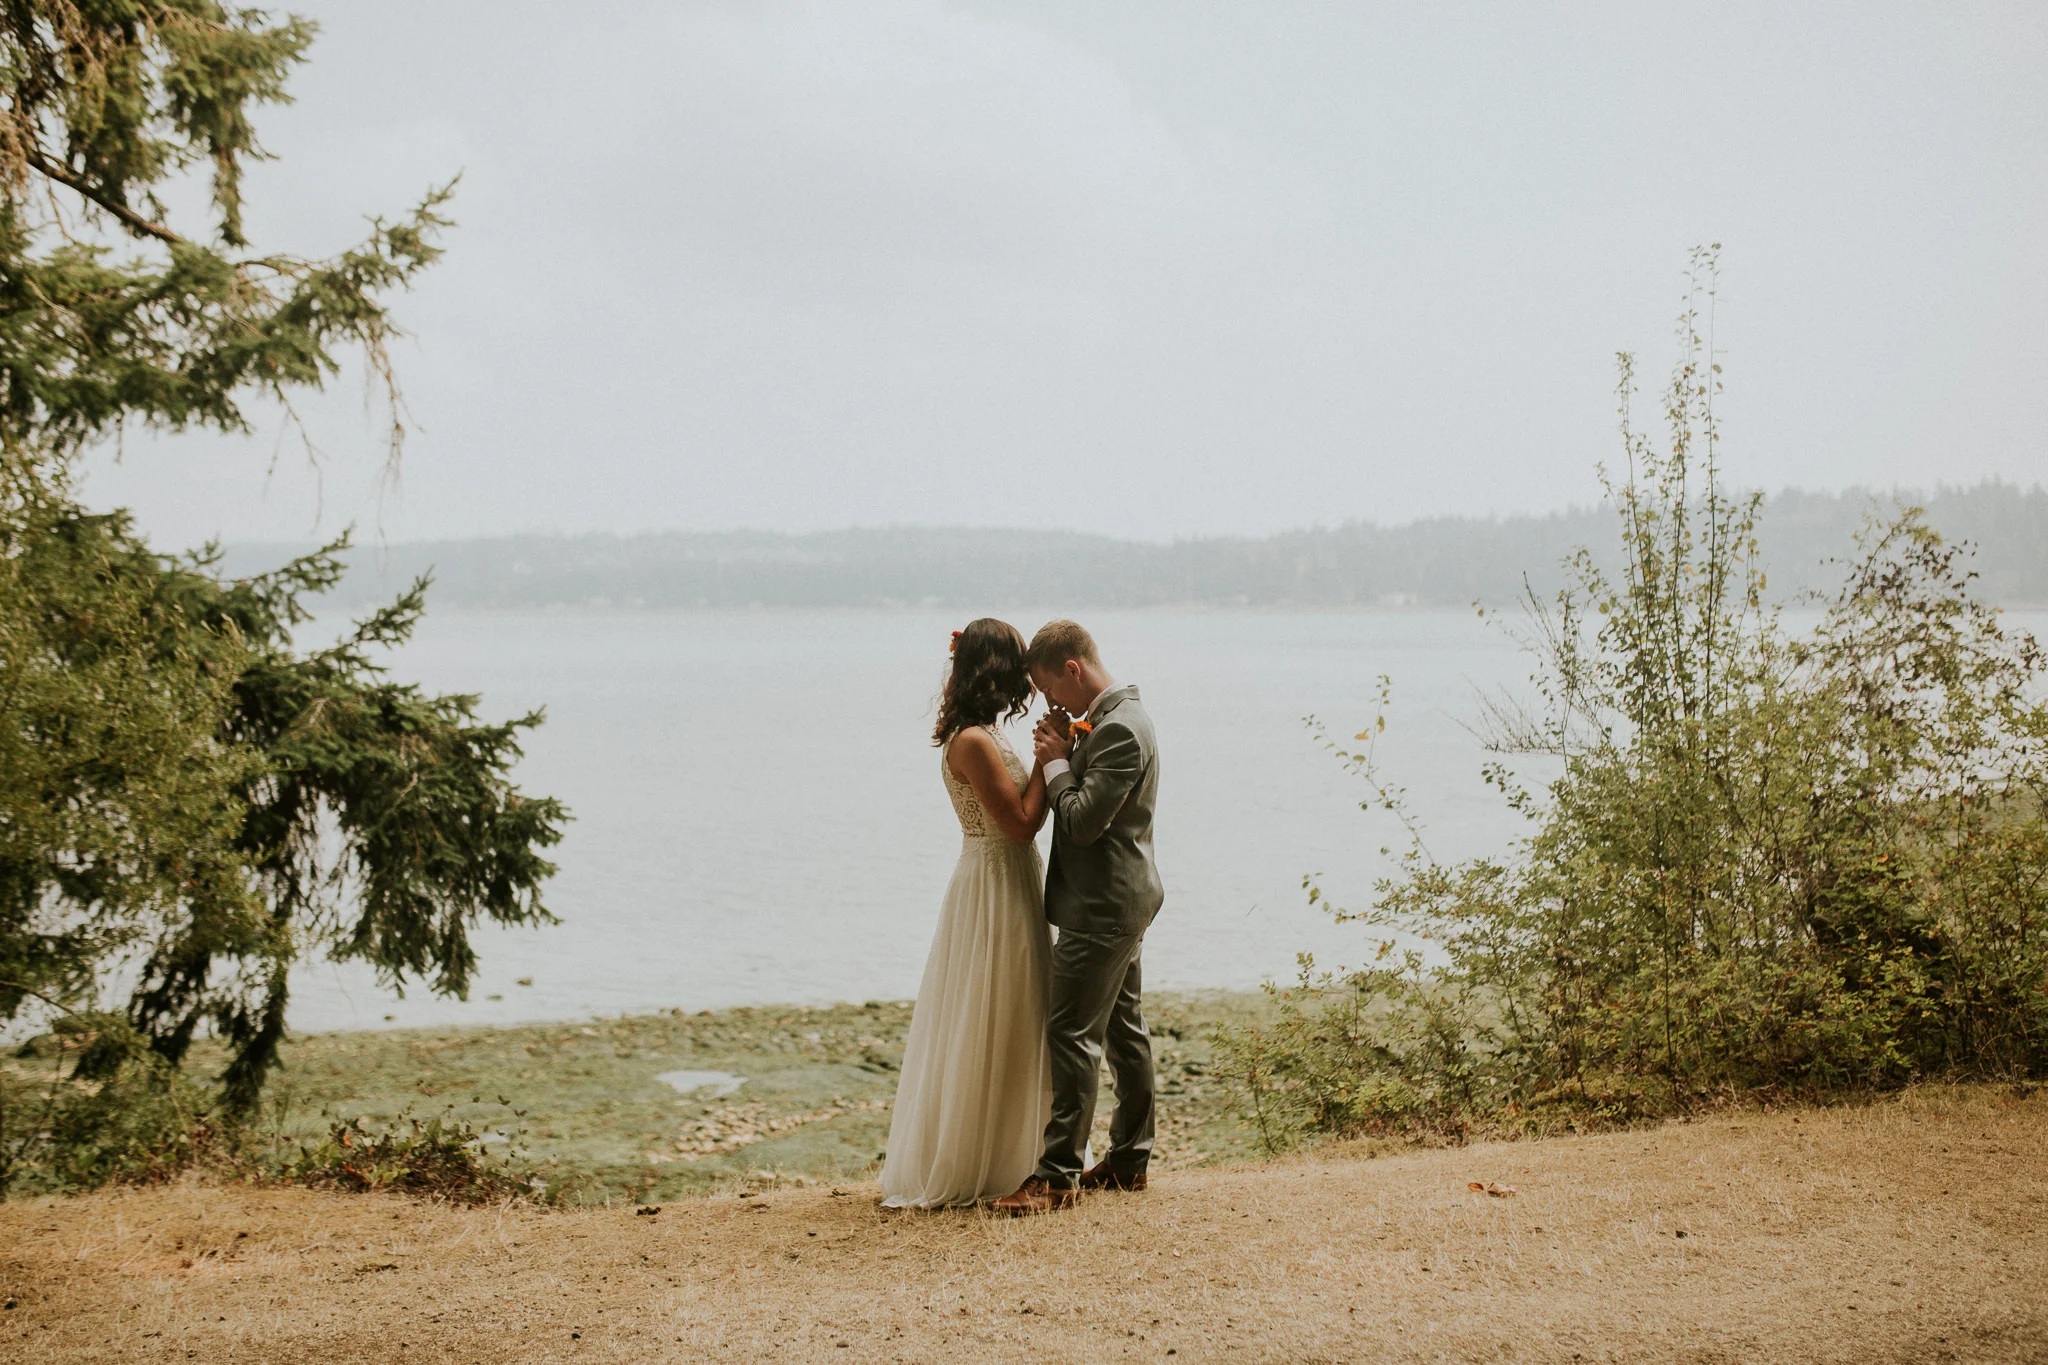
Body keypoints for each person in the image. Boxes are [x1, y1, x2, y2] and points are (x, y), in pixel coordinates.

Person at [878, 618, 1053, 1208]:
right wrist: (1056, 766)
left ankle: (1017, 1155)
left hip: (1009, 880)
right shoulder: (973, 743)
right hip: (994, 882)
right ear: (996, 673)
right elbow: (1021, 826)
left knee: (1014, 1011)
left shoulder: (981, 734)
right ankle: (977, 1158)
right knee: (991, 1010)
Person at [992, 619, 1163, 1216]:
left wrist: (1059, 761)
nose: (1046, 702)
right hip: (1120, 898)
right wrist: (1066, 747)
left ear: (1073, 669)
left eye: (1048, 689)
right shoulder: (1115, 719)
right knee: (1123, 1031)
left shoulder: (1120, 730)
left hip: (1104, 906)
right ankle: (1129, 1160)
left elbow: (1084, 821)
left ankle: (1056, 1175)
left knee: (1071, 1035)